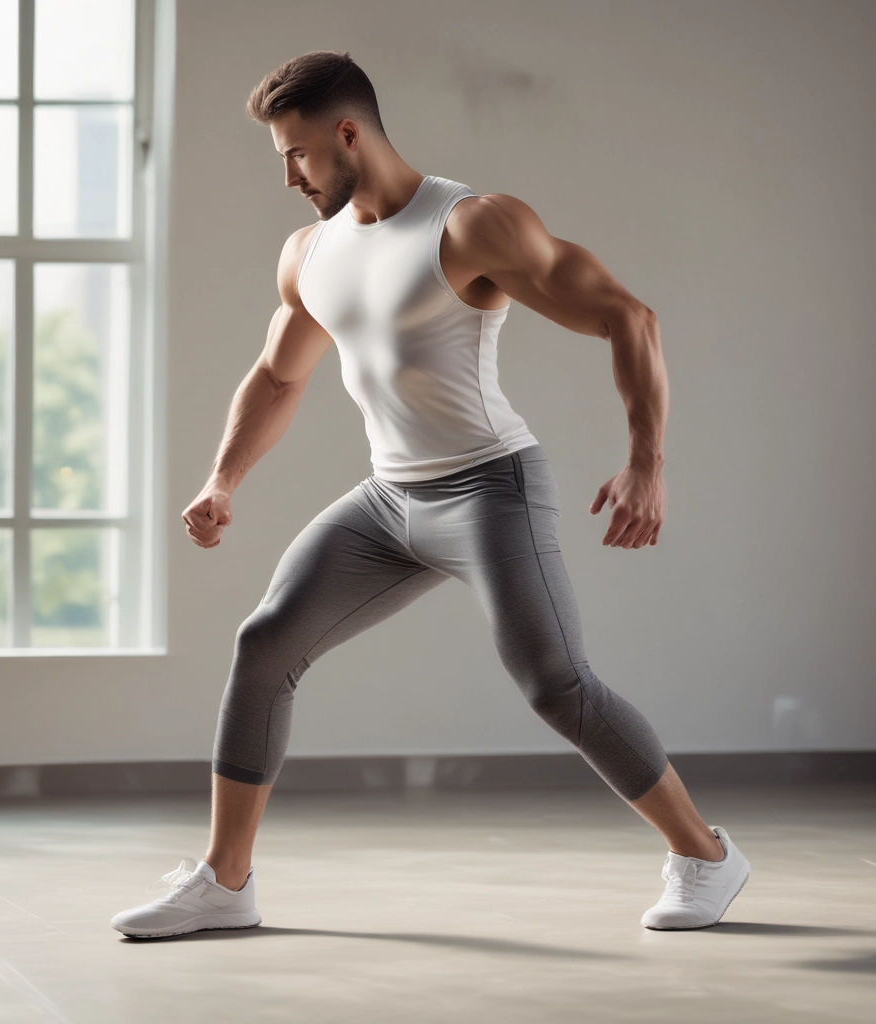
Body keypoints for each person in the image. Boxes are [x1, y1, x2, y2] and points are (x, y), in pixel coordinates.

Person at [112, 49, 749, 940]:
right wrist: (224, 479)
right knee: (265, 645)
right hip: (387, 501)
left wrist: (647, 461)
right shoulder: (311, 252)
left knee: (555, 684)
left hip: (491, 487)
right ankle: (225, 882)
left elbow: (627, 317)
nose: (289, 176)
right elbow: (277, 375)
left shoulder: (471, 224)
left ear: (348, 134)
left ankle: (706, 859)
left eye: (297, 154)